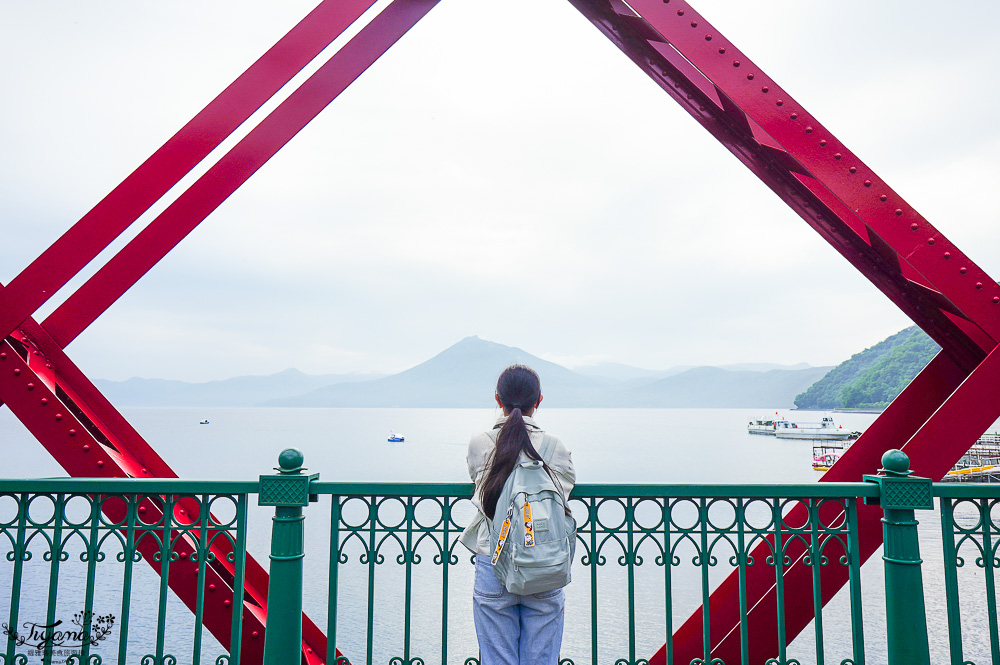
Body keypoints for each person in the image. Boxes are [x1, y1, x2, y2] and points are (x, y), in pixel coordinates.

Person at [460, 364, 576, 665]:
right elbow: (564, 491)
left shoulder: (480, 442)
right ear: (538, 401)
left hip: (493, 559)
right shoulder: (555, 446)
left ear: (497, 399)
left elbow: (478, 482)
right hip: (545, 562)